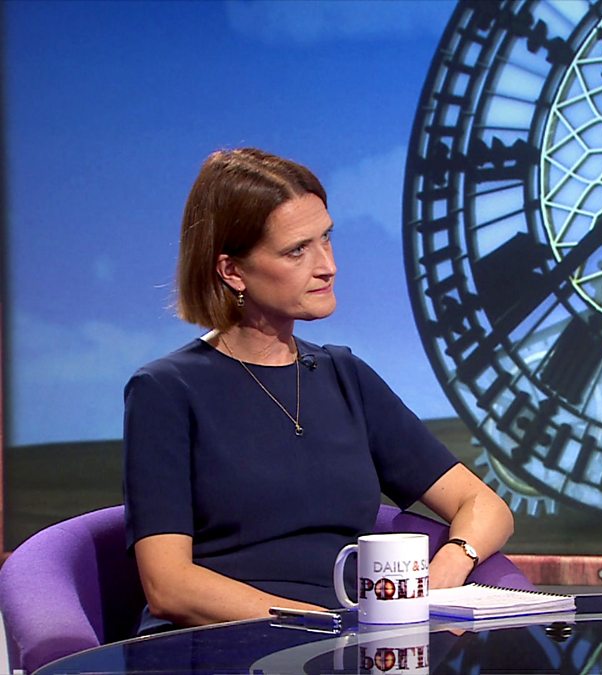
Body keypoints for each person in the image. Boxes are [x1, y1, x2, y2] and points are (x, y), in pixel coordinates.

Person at [123, 148, 515, 631]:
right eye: (297, 250)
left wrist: (446, 568)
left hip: (347, 643)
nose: (327, 266)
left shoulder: (345, 376)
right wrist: (327, 625)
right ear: (232, 271)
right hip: (218, 642)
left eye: (326, 238)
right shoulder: (165, 390)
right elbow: (169, 586)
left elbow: (484, 505)